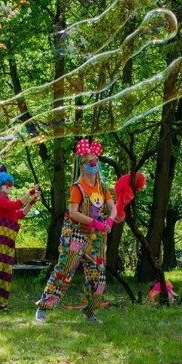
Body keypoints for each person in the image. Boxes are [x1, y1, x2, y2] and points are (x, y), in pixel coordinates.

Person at [35, 138, 117, 323]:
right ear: (82, 165)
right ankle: (43, 308)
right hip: (76, 235)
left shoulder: (102, 188)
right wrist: (95, 223)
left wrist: (110, 221)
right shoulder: (77, 187)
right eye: (89, 161)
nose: (94, 164)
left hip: (96, 240)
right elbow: (73, 213)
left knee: (98, 276)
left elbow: (114, 207)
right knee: (64, 271)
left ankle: (90, 312)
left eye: (95, 160)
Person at [0, 165, 40, 311]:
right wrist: (30, 192)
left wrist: (31, 202)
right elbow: (16, 204)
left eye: (10, 183)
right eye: (6, 184)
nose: (10, 186)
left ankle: (2, 305)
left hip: (8, 244)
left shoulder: (6, 204)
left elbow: (20, 213)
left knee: (6, 275)